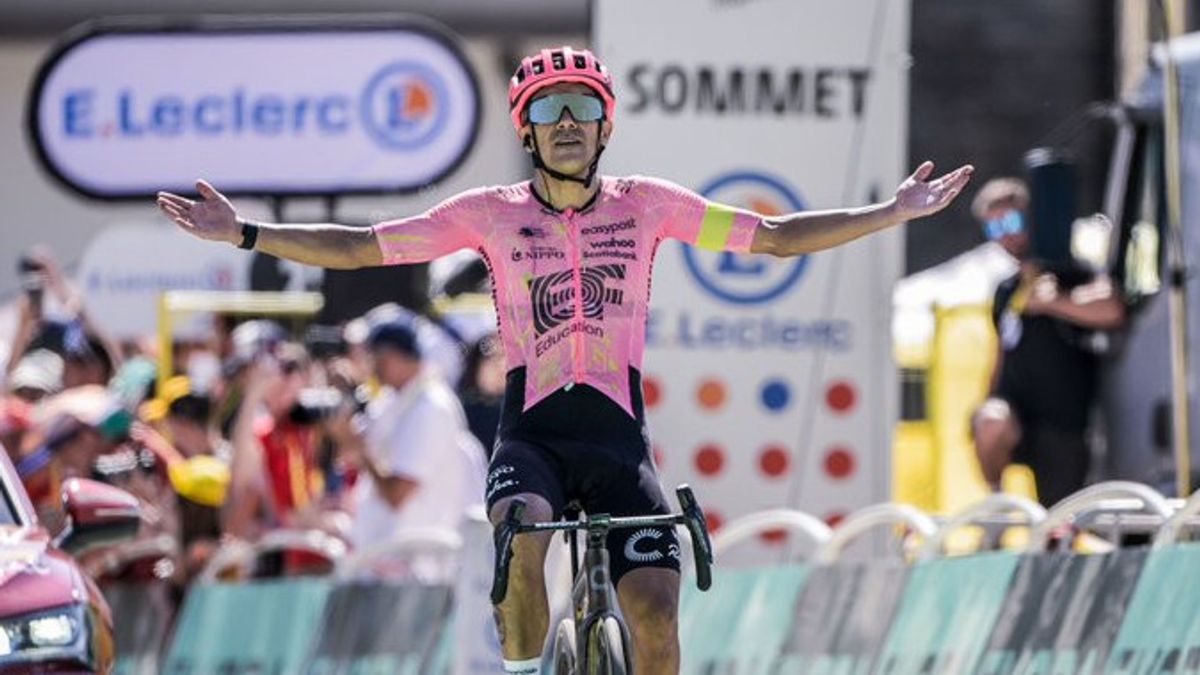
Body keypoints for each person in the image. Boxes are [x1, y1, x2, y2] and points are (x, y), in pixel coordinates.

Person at [157, 45, 971, 675]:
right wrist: (247, 232)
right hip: (533, 438)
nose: (570, 120)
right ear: (529, 131)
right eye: (550, 110)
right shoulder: (489, 215)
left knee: (655, 609)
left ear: (606, 125)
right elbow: (364, 247)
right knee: (521, 583)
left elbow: (778, 236)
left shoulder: (648, 205)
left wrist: (889, 212)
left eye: (585, 105)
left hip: (619, 442)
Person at [969, 178, 1125, 507]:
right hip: (1018, 416)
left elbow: (1112, 309)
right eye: (994, 228)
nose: (1006, 235)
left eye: (1012, 222)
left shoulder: (1070, 271)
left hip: (1063, 422)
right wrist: (985, 403)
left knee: (1059, 519)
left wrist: (1054, 303)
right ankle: (995, 503)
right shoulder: (1006, 288)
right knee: (990, 421)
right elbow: (1001, 351)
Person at [327, 318, 485, 566]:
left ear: (389, 357)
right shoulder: (392, 400)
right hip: (386, 559)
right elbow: (348, 454)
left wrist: (363, 453)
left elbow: (398, 494)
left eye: (373, 357)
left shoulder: (432, 408)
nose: (371, 367)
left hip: (417, 564)